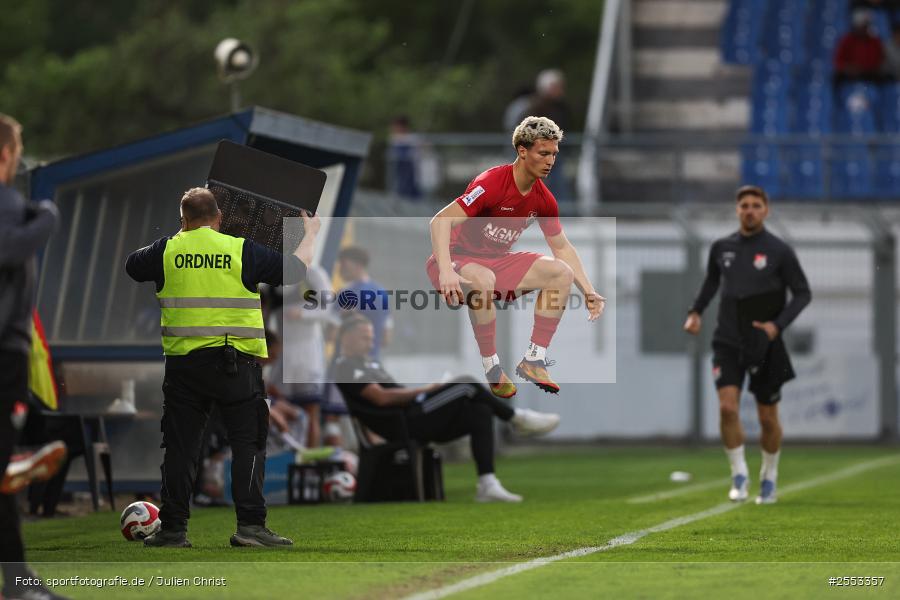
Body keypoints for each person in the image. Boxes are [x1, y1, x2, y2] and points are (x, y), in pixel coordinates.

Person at [125, 187, 320, 548]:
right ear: (219, 219)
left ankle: (172, 530)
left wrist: (181, 237)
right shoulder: (239, 249)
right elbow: (293, 270)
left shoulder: (166, 250)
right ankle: (250, 527)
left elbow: (132, 265)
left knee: (182, 448)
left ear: (183, 219)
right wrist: (309, 235)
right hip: (237, 365)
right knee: (248, 442)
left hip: (184, 368)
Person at [427, 116, 605, 397]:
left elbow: (562, 247)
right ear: (523, 151)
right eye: (543, 153)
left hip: (495, 263)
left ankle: (534, 359)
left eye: (554, 154)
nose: (550, 161)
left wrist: (588, 290)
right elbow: (439, 221)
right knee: (483, 279)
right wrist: (447, 271)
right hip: (453, 259)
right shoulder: (491, 183)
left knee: (561, 273)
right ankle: (492, 367)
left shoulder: (543, 199)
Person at [334, 316, 560, 502]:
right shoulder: (346, 367)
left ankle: (487, 484)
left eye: (371, 338)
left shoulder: (369, 363)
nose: (369, 342)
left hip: (413, 415)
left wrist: (428, 391)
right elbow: (382, 398)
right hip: (405, 422)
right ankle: (516, 419)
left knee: (480, 410)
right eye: (364, 337)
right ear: (346, 338)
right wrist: (429, 390)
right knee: (466, 384)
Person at [683, 185, 812, 505]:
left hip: (765, 343)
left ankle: (769, 475)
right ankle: (738, 474)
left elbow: (802, 293)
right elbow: (712, 282)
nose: (750, 210)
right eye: (744, 205)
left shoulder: (779, 251)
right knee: (727, 408)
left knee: (768, 416)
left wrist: (776, 326)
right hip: (727, 339)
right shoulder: (721, 247)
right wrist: (696, 312)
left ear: (766, 210)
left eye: (756, 205)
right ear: (737, 210)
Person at [0, 113, 70, 599]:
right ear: (5, 156)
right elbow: (8, 248)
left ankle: (19, 581)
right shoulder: (9, 203)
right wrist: (47, 215)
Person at [337, 246, 393, 359]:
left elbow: (331, 334)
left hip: (348, 364)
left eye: (344, 264)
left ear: (358, 265)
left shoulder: (347, 293)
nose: (340, 269)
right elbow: (386, 338)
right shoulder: (381, 291)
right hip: (373, 363)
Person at [833, 9, 886, 85]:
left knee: (883, 77)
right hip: (850, 73)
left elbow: (879, 60)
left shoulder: (875, 41)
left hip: (869, 73)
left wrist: (866, 68)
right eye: (861, 26)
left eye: (865, 26)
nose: (862, 28)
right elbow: (838, 61)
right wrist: (848, 68)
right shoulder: (846, 40)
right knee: (836, 77)